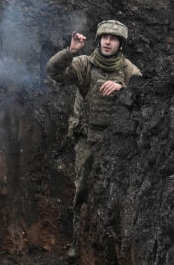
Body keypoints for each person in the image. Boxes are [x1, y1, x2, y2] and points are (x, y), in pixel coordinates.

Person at [46, 20, 141, 227]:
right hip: (87, 138)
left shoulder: (128, 70)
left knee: (115, 191)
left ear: (121, 45)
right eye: (104, 38)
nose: (108, 42)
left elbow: (145, 95)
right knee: (83, 189)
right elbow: (54, 72)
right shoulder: (84, 64)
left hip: (116, 142)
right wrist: (70, 51)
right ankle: (79, 235)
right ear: (98, 41)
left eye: (113, 39)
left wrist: (122, 87)